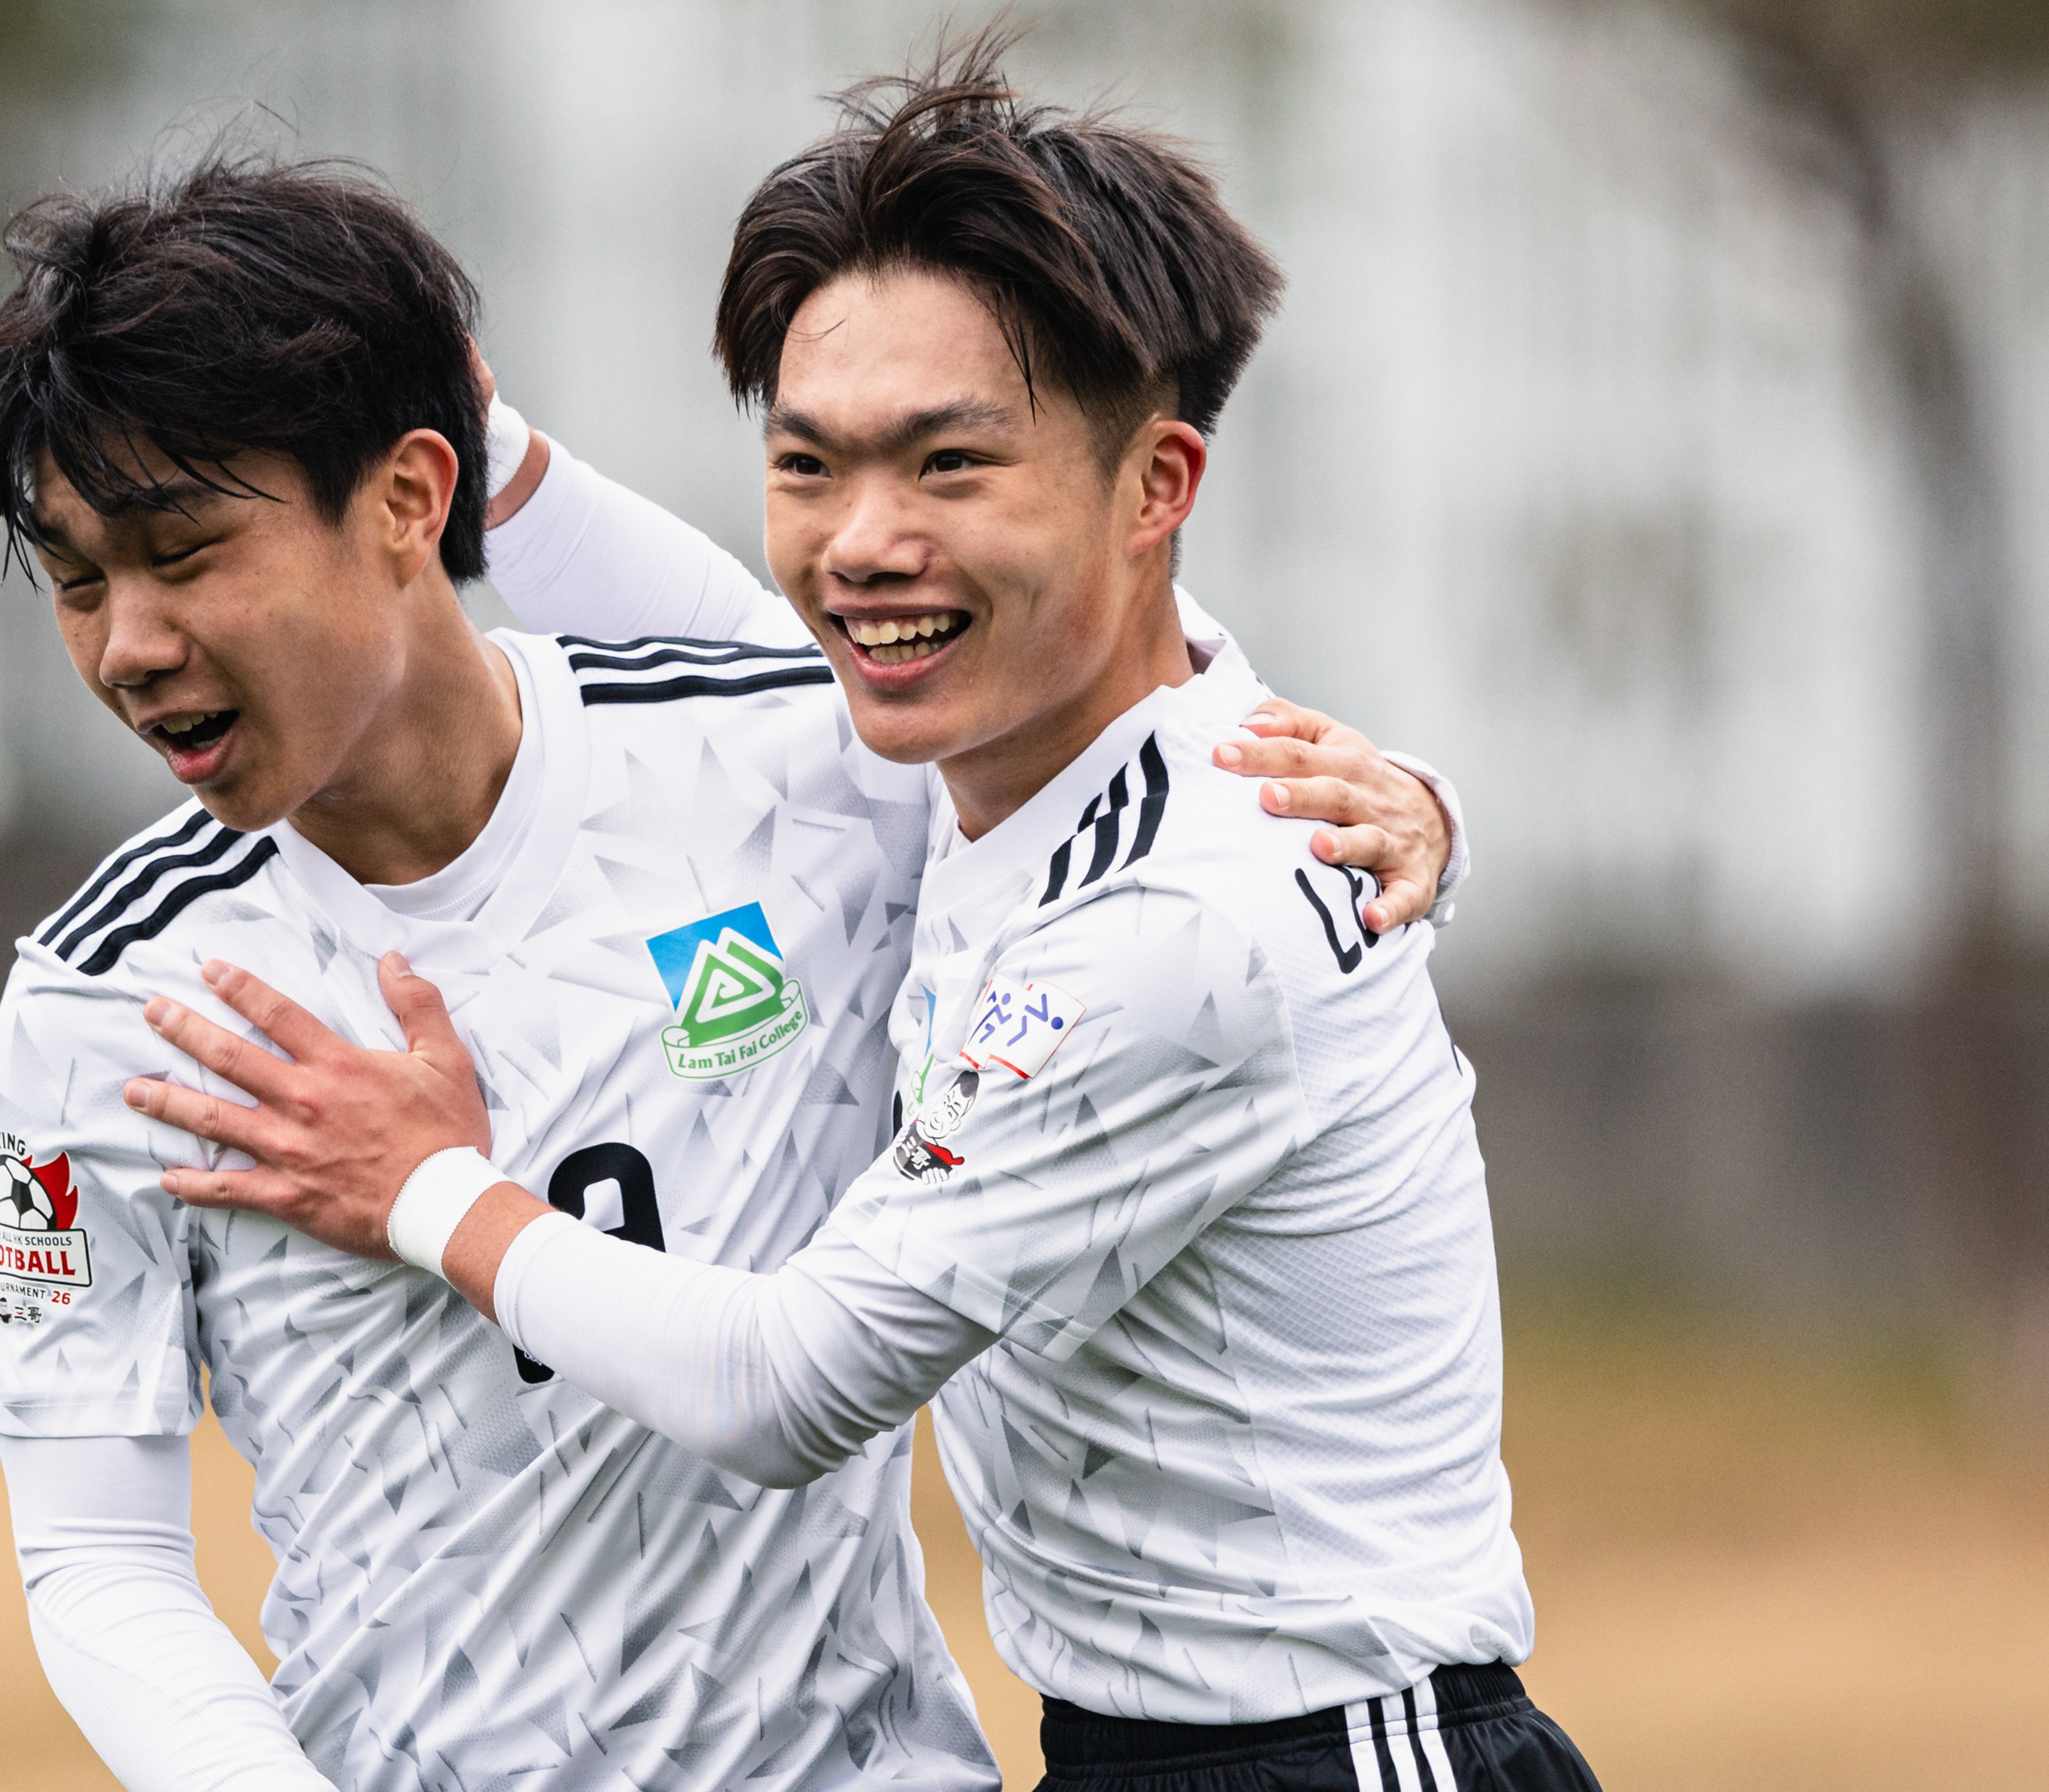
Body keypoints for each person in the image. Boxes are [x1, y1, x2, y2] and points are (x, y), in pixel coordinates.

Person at [126, 45, 1602, 1792]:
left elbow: (790, 1383)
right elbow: (751, 643)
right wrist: (436, 425)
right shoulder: (1007, 764)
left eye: (952, 463)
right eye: (811, 465)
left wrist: (430, 1189)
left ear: (1159, 487)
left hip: (1341, 1760)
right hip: (1146, 1752)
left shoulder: (1178, 915)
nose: (862, 543)